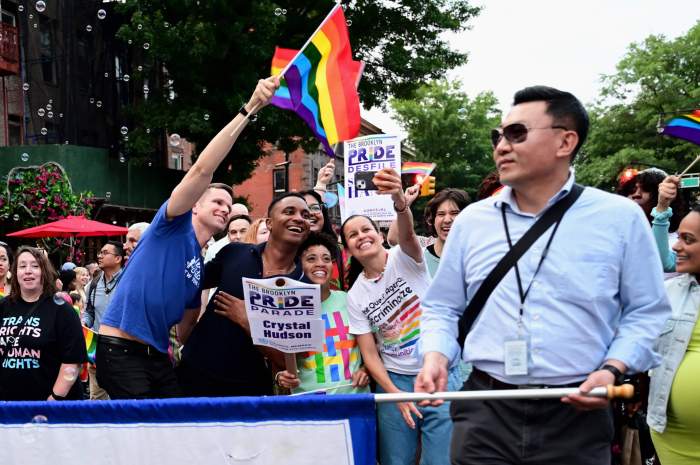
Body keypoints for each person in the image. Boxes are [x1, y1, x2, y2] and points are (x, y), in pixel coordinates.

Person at [415, 86, 671, 465]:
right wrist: (435, 355)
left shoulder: (619, 218)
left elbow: (647, 312)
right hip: (485, 409)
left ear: (565, 141)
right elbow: (442, 307)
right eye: (497, 135)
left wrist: (612, 369)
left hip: (578, 412)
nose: (501, 145)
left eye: (517, 133)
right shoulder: (472, 221)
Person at [96, 77, 279, 399]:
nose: (224, 209)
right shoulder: (171, 224)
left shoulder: (199, 266)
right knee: (145, 437)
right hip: (122, 350)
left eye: (228, 204)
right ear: (195, 204)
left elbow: (186, 329)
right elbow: (201, 171)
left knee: (176, 430)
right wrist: (249, 109)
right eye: (217, 202)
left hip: (158, 357)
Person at [342, 168, 458, 465]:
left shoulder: (404, 256)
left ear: (380, 235)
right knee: (396, 460)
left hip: (440, 371)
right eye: (352, 235)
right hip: (395, 381)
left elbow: (405, 231)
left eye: (366, 230)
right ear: (348, 249)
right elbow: (369, 354)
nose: (361, 237)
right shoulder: (355, 296)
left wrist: (397, 198)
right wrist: (395, 394)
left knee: (440, 460)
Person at [177, 193, 311, 396]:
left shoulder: (303, 284)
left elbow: (286, 359)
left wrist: (249, 322)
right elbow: (189, 284)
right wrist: (185, 326)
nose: (299, 218)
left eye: (305, 215)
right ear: (269, 223)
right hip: (194, 374)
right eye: (289, 212)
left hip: (249, 389)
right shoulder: (235, 253)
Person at [275, 232, 370, 394]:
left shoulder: (351, 300)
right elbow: (278, 361)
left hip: (354, 402)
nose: (320, 264)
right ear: (299, 265)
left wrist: (365, 370)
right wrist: (280, 377)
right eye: (311, 259)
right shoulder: (285, 309)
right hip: (308, 407)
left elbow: (374, 347)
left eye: (326, 259)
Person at [647, 204, 700, 464]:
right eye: (678, 237)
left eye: (687, 239)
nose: (677, 246)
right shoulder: (668, 293)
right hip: (671, 443)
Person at [0, 246, 87, 400]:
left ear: (44, 272)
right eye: (22, 266)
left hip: (50, 407)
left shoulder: (62, 311)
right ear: (14, 272)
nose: (28, 271)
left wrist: (53, 400)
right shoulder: (3, 307)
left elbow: (73, 361)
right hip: (8, 407)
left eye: (35, 266)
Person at [83, 241, 125, 400]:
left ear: (118, 258)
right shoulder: (93, 284)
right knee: (97, 401)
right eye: (99, 252)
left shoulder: (129, 282)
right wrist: (85, 322)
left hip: (123, 353)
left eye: (105, 253)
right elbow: (89, 312)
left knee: (122, 400)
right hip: (97, 352)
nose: (99, 256)